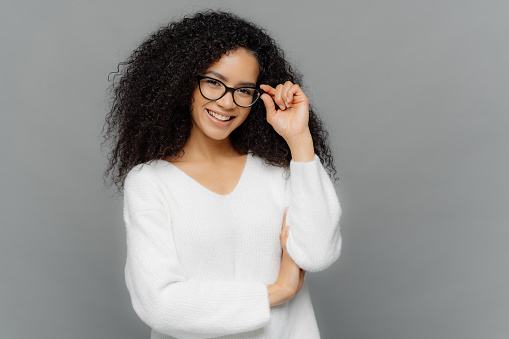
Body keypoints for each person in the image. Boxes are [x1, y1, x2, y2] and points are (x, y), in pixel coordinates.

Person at [102, 10, 342, 339]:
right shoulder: (150, 183)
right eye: (214, 82)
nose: (227, 103)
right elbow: (160, 304)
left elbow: (317, 252)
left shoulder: (278, 171)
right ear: (183, 81)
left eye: (244, 90)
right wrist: (278, 291)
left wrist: (299, 139)